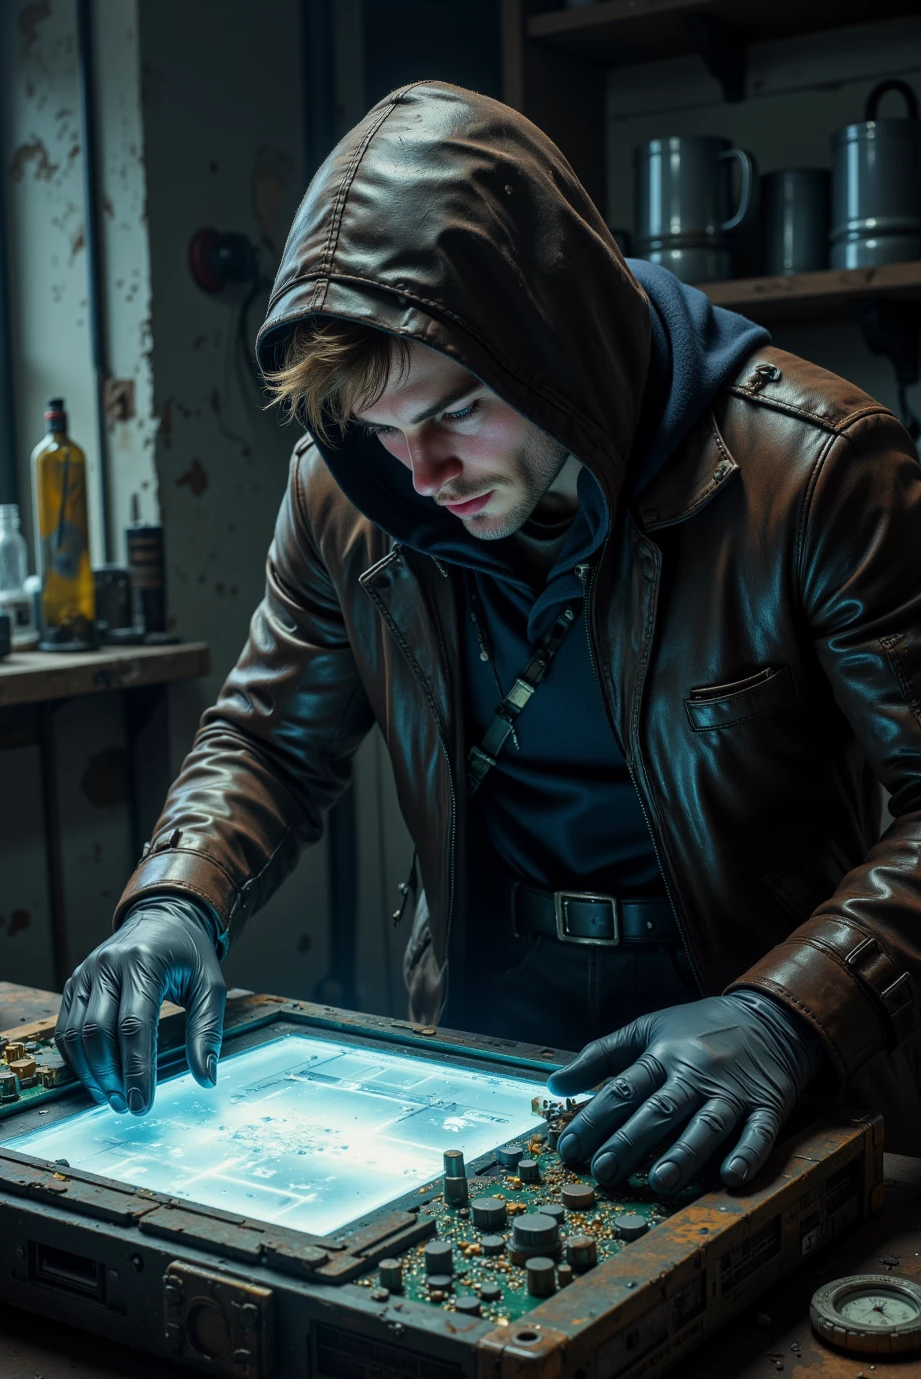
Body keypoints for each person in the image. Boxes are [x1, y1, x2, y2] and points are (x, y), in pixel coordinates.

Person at [56, 82, 921, 1192]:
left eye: (457, 409)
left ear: (560, 337)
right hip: (483, 1028)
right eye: (381, 430)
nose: (422, 475)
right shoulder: (346, 495)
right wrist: (177, 895)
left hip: (753, 1042)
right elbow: (271, 738)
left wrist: (792, 1011)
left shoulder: (820, 469)